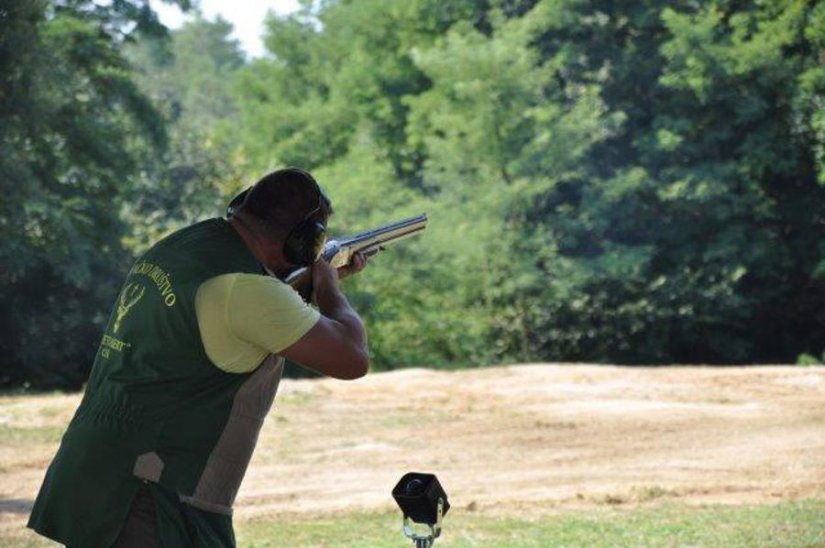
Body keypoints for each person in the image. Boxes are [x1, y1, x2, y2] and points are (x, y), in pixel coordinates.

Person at [27, 167, 370, 547]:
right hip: (149, 490)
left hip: (97, 470)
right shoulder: (247, 290)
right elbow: (352, 358)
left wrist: (308, 287)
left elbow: (234, 317)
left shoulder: (184, 245)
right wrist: (329, 287)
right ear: (303, 242)